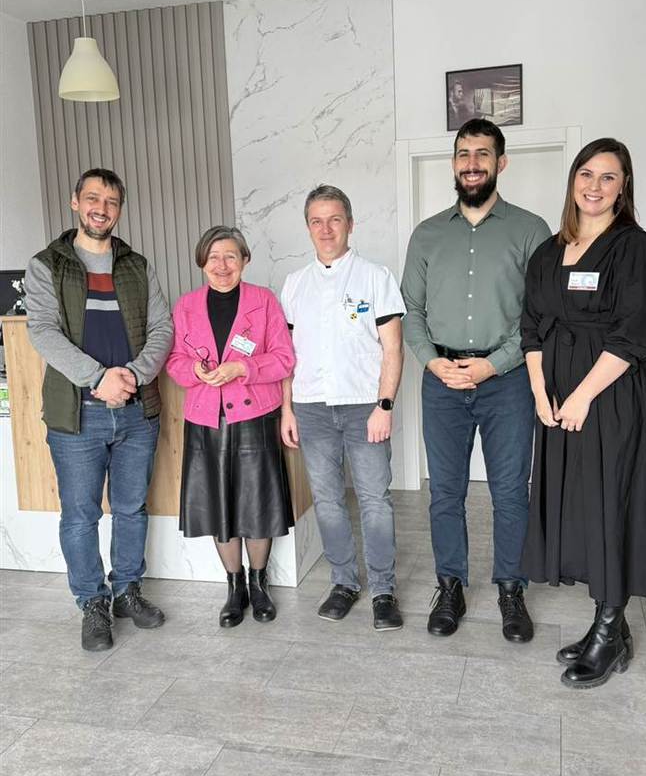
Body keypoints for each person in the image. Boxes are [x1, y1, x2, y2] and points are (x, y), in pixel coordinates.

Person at [521, 138, 646, 687]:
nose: (595, 186)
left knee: (612, 504)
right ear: (573, 181)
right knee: (582, 507)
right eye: (586, 174)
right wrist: (540, 390)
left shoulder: (635, 249)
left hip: (610, 398)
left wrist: (583, 395)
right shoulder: (548, 251)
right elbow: (531, 326)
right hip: (557, 398)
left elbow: (634, 335)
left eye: (608, 177)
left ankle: (609, 632)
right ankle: (609, 627)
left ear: (624, 187)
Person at [402, 119, 551, 641]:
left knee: (510, 493)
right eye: (463, 153)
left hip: (506, 381)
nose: (472, 163)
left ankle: (511, 589)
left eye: (482, 154)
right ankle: (451, 586)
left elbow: (539, 315)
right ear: (454, 163)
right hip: (441, 380)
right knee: (445, 492)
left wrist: (495, 363)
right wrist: (430, 361)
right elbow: (412, 310)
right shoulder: (427, 234)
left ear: (500, 162)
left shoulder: (531, 231)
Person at [25, 168, 173, 651]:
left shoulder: (136, 265)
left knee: (131, 508)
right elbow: (43, 331)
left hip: (136, 411)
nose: (101, 209)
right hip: (77, 416)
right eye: (92, 198)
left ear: (119, 209)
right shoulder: (47, 265)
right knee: (80, 515)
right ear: (75, 202)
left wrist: (132, 375)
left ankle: (127, 591)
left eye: (110, 201)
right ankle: (92, 602)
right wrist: (99, 378)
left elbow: (162, 328)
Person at [280, 185, 406, 630]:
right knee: (328, 501)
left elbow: (393, 349)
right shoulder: (295, 285)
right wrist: (287, 410)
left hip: (363, 407)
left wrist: (384, 405)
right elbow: (287, 356)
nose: (326, 229)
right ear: (308, 227)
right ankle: (344, 582)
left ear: (350, 224)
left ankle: (384, 589)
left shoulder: (375, 277)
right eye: (317, 221)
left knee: (374, 500)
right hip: (311, 408)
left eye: (334, 219)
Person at [166, 226, 295, 627]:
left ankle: (259, 584)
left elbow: (284, 358)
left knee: (258, 504)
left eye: (231, 257)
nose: (222, 266)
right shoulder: (186, 306)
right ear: (202, 262)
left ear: (244, 261)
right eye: (214, 257)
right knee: (218, 505)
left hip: (255, 416)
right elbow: (173, 361)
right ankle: (234, 587)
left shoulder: (263, 300)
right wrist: (194, 370)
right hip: (206, 419)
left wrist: (243, 367)